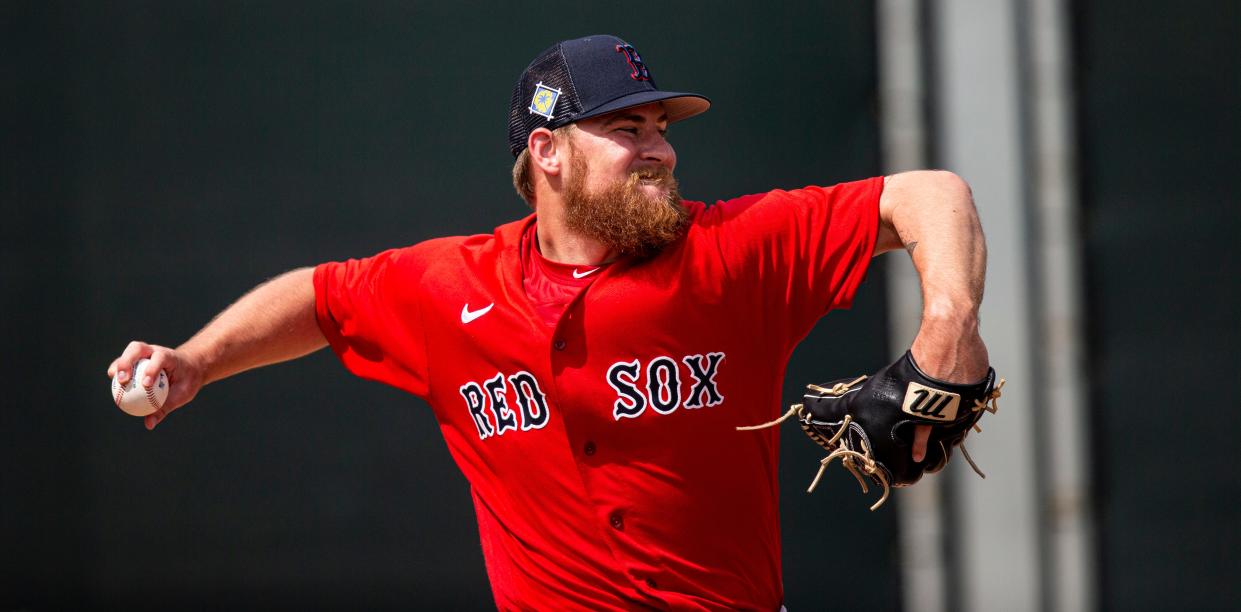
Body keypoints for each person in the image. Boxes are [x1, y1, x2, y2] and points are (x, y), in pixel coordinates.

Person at [108, 34, 991, 610]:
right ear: (547, 151)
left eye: (659, 126)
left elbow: (926, 196)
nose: (659, 146)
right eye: (625, 128)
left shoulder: (727, 249)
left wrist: (947, 325)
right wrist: (196, 360)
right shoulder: (448, 285)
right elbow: (319, 296)